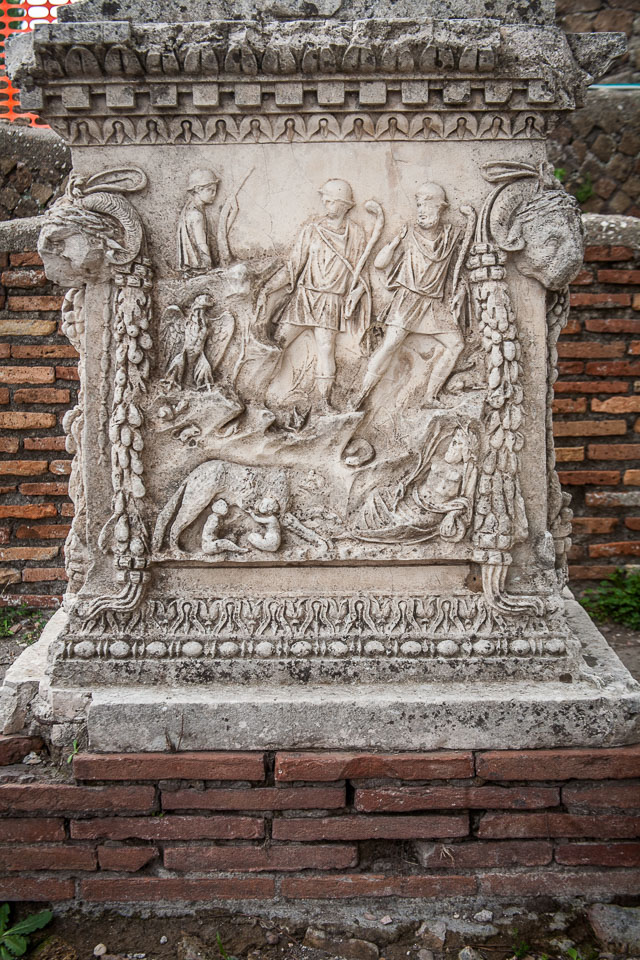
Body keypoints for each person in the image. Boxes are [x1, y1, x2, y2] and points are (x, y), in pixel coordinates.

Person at [256, 179, 370, 414]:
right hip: (306, 296)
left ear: (344, 205)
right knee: (278, 342)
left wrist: (357, 293)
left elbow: (362, 273)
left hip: (331, 299)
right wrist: (269, 287)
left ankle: (323, 403)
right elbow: (293, 266)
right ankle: (256, 395)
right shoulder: (312, 230)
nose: (326, 204)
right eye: (325, 200)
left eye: (331, 201)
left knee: (326, 348)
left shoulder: (356, 233)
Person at [355, 182, 465, 409]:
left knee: (456, 345)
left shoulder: (451, 236)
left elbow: (458, 268)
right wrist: (395, 241)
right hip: (408, 300)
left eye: (427, 205)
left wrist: (461, 290)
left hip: (434, 303)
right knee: (389, 345)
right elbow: (380, 263)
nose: (422, 211)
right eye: (419, 205)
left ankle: (430, 398)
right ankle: (360, 396)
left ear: (440, 208)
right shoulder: (408, 233)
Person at [177, 168, 220, 271]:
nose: (214, 194)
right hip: (199, 268)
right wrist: (209, 266)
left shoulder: (188, 209)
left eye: (215, 191)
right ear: (198, 190)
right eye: (210, 190)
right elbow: (201, 244)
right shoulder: (196, 214)